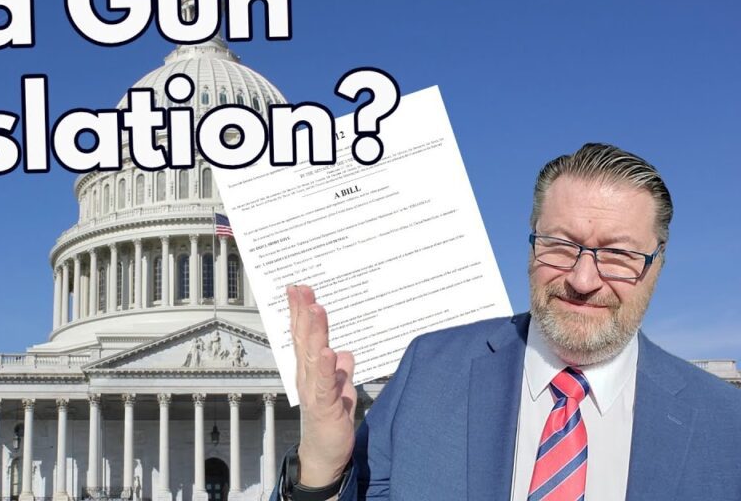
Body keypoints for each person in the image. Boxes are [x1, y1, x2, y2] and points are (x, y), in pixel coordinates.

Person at [275, 143, 741, 501]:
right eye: (560, 244)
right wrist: (321, 467)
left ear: (657, 265)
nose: (582, 279)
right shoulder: (429, 371)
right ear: (530, 243)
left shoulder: (726, 425)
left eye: (618, 255)